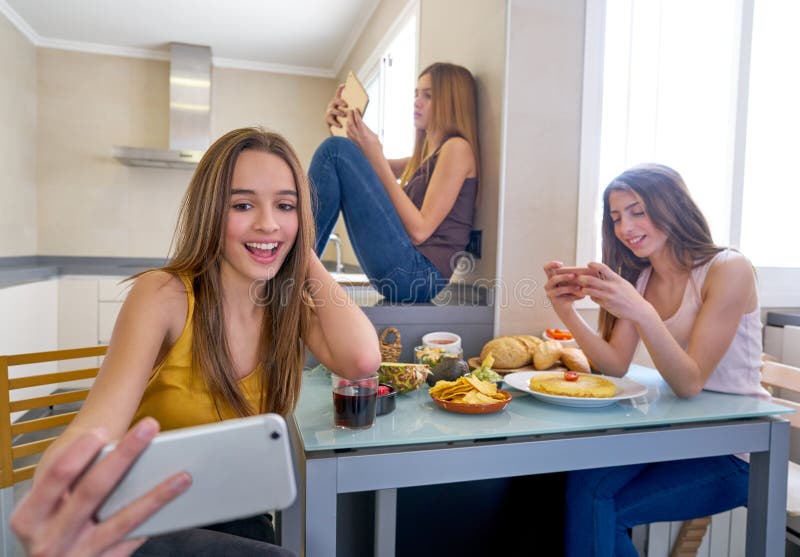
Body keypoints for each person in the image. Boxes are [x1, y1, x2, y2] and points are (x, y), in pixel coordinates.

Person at [14, 127, 382, 557]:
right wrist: (57, 496)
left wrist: (302, 251)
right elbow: (96, 427)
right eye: (243, 205)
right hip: (149, 516)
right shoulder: (163, 295)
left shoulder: (288, 309)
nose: (267, 223)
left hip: (239, 511)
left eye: (285, 206)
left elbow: (361, 360)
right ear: (211, 213)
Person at [542, 163, 767, 557]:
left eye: (637, 211)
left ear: (671, 206)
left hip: (740, 448)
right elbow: (614, 365)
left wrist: (640, 310)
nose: (625, 227)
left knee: (601, 509)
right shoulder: (644, 279)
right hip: (684, 434)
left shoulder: (729, 268)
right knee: (584, 482)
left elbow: (690, 382)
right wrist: (567, 313)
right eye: (615, 217)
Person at [309, 62, 480, 303]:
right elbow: (358, 171)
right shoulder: (424, 160)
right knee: (335, 150)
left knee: (335, 151)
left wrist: (370, 153)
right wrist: (340, 129)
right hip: (407, 272)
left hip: (418, 275)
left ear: (452, 103)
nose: (417, 102)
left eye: (428, 96)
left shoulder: (457, 149)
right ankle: (296, 267)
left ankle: (293, 270)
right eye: (416, 94)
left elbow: (420, 231)